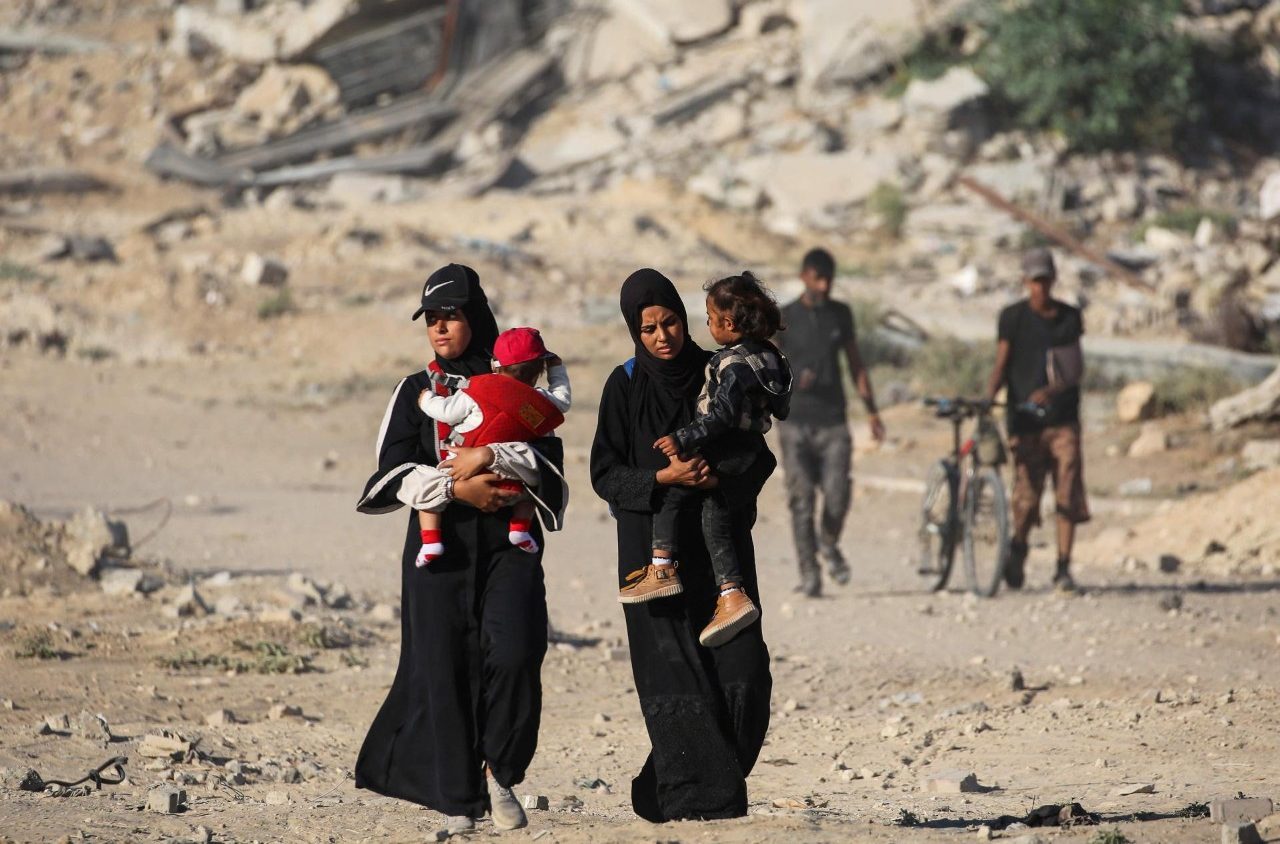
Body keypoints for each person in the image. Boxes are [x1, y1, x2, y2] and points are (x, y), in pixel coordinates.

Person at [353, 264, 568, 833]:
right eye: (431, 318)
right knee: (442, 664)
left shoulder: (515, 382)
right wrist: (455, 488)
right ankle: (459, 796)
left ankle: (501, 771)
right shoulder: (415, 391)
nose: (440, 327)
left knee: (517, 650)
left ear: (475, 316)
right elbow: (390, 469)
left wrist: (492, 460)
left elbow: (550, 457)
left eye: (451, 315)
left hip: (509, 544)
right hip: (438, 548)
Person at [590, 268, 773, 822]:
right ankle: (695, 802)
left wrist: (718, 476)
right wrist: (662, 479)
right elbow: (604, 473)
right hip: (651, 559)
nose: (662, 336)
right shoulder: (623, 385)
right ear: (633, 331)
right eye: (647, 329)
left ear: (684, 318)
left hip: (720, 555)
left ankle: (665, 788)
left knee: (744, 673)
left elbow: (758, 456)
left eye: (669, 322)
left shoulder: (723, 370)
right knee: (676, 678)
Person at [633, 272, 792, 649]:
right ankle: (731, 594)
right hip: (748, 446)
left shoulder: (731, 363)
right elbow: (782, 409)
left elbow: (720, 416)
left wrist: (683, 438)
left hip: (725, 447)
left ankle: (662, 567)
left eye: (710, 319)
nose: (707, 326)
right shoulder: (773, 357)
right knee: (714, 514)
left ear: (729, 323)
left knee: (675, 488)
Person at [776, 248, 885, 598]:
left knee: (838, 495)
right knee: (802, 499)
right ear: (804, 277)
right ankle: (809, 574)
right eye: (818, 279)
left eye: (829, 280)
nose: (824, 286)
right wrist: (792, 379)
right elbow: (768, 366)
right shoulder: (784, 317)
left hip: (834, 422)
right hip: (794, 422)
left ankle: (828, 542)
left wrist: (872, 412)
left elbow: (856, 364)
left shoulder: (841, 314)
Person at [415, 326, 571, 566]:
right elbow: (563, 399)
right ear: (538, 370)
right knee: (532, 489)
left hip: (462, 473)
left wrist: (426, 399)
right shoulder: (538, 402)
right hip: (511, 482)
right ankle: (519, 528)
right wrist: (556, 368)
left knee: (430, 492)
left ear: (495, 366)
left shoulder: (477, 390)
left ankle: (431, 541)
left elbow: (445, 411)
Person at [982, 247, 1090, 593]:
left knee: (1067, 491)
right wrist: (989, 398)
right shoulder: (1013, 318)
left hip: (1062, 420)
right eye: (1034, 281)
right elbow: (1001, 363)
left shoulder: (1068, 318)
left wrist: (1052, 390)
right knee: (1027, 497)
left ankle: (1063, 566)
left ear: (1053, 280)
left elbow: (1074, 368)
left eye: (1045, 281)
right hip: (1024, 422)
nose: (1040, 288)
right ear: (1025, 282)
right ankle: (1018, 546)